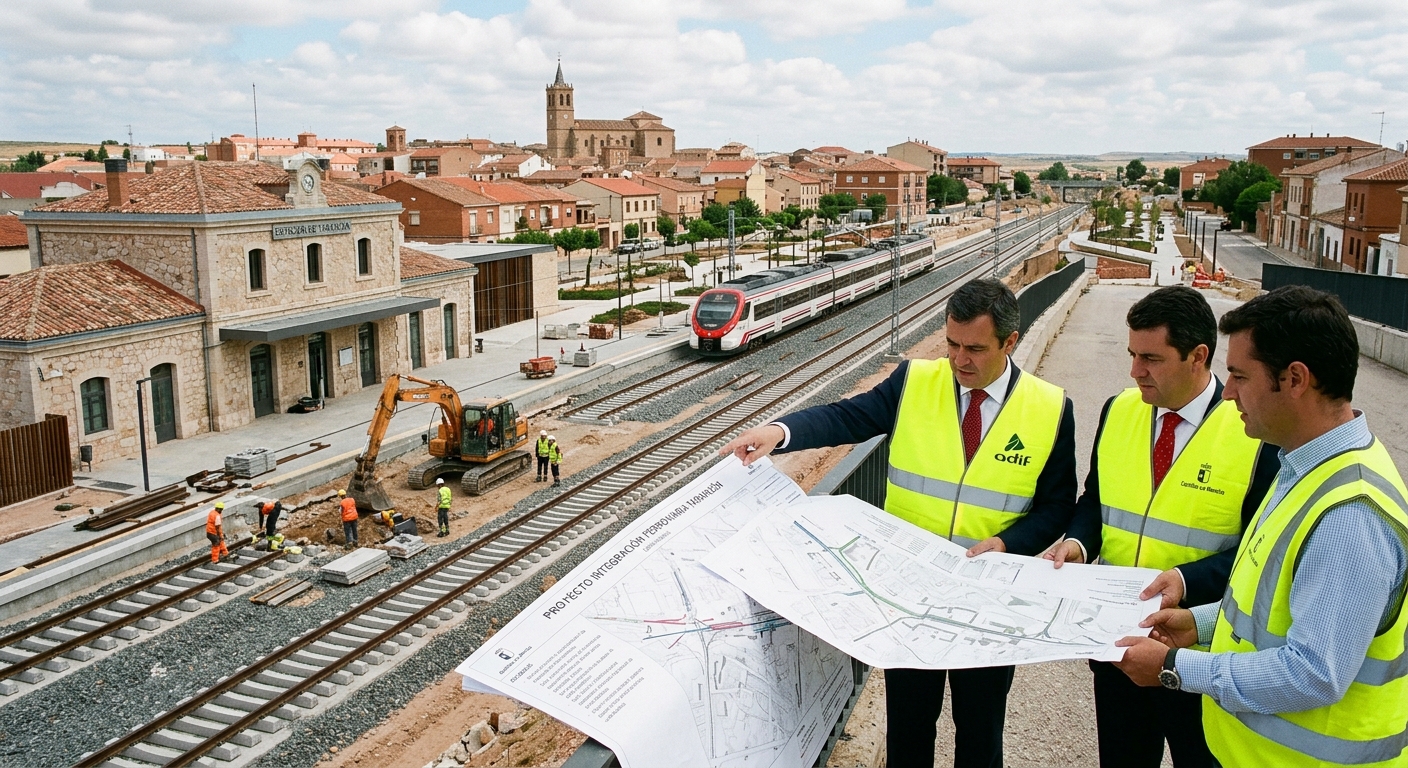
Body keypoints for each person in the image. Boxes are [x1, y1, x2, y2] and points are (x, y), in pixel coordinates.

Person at [720, 278, 1078, 768]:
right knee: (908, 728)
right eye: (952, 344)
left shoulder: (1051, 408)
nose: (958, 360)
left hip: (990, 601)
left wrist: (1008, 541)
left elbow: (1058, 506)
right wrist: (780, 432)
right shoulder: (914, 381)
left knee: (980, 729)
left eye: (974, 348)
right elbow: (847, 417)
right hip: (909, 598)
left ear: (1010, 342)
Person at [1114, 286, 1408, 767]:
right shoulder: (1302, 467)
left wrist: (1174, 668)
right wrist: (1200, 623)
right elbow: (1271, 606)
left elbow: (1314, 673)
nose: (1227, 393)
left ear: (1295, 379)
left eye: (1239, 376)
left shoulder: (1349, 517)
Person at [1046, 286, 1279, 768]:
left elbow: (1263, 552)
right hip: (1118, 646)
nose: (1135, 371)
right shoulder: (1119, 410)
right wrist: (1076, 544)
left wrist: (1188, 582)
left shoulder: (1255, 433)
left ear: (1199, 356)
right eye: (1132, 355)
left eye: (1150, 358)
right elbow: (1096, 501)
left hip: (1198, 649)